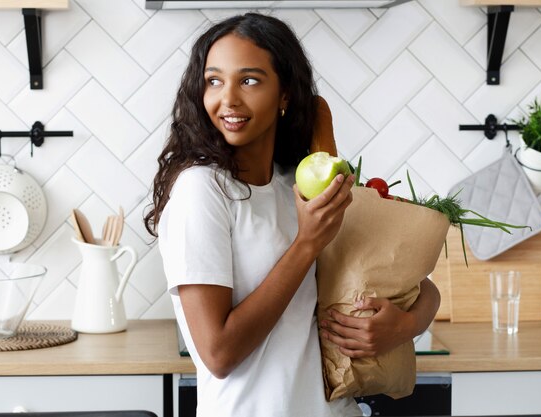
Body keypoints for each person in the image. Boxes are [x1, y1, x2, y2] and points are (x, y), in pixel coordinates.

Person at [143, 12, 441, 417]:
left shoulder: (299, 185)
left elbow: (418, 286)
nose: (227, 98)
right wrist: (307, 243)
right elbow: (218, 352)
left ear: (285, 95)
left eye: (249, 80)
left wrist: (404, 327)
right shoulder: (203, 190)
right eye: (214, 80)